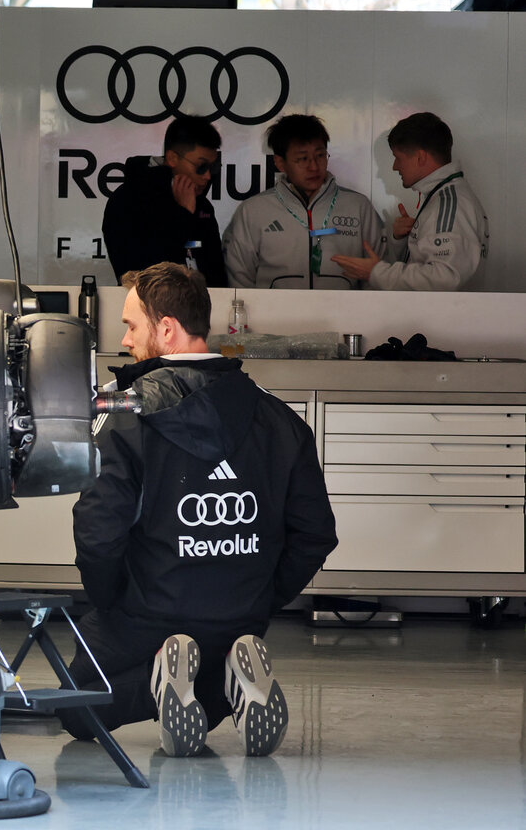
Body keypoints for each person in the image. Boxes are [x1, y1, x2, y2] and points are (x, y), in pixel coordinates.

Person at [59, 263, 336, 757]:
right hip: (240, 614)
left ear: (166, 328)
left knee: (75, 707)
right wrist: (263, 600)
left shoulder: (123, 414)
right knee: (213, 663)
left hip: (147, 611)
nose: (124, 341)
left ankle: (167, 681)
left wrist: (110, 603)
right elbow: (315, 532)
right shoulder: (278, 416)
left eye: (131, 326)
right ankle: (227, 674)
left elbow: (98, 532)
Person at [222, 114, 386, 289]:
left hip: (344, 315)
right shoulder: (253, 211)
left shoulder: (358, 207)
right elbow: (239, 282)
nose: (314, 166)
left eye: (320, 155)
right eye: (302, 159)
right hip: (272, 316)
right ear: (280, 162)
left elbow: (380, 273)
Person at [331, 111, 490, 291]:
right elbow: (431, 267)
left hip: (445, 318)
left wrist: (376, 272)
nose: (394, 166)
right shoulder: (442, 198)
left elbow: (445, 277)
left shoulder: (449, 203)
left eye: (398, 158)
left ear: (420, 157)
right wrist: (403, 241)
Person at [102, 117, 229, 287]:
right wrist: (183, 215)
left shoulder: (202, 206)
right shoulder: (127, 201)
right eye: (201, 167)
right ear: (172, 158)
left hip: (201, 309)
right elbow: (137, 273)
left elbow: (216, 276)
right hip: (148, 309)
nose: (207, 176)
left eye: (213, 168)